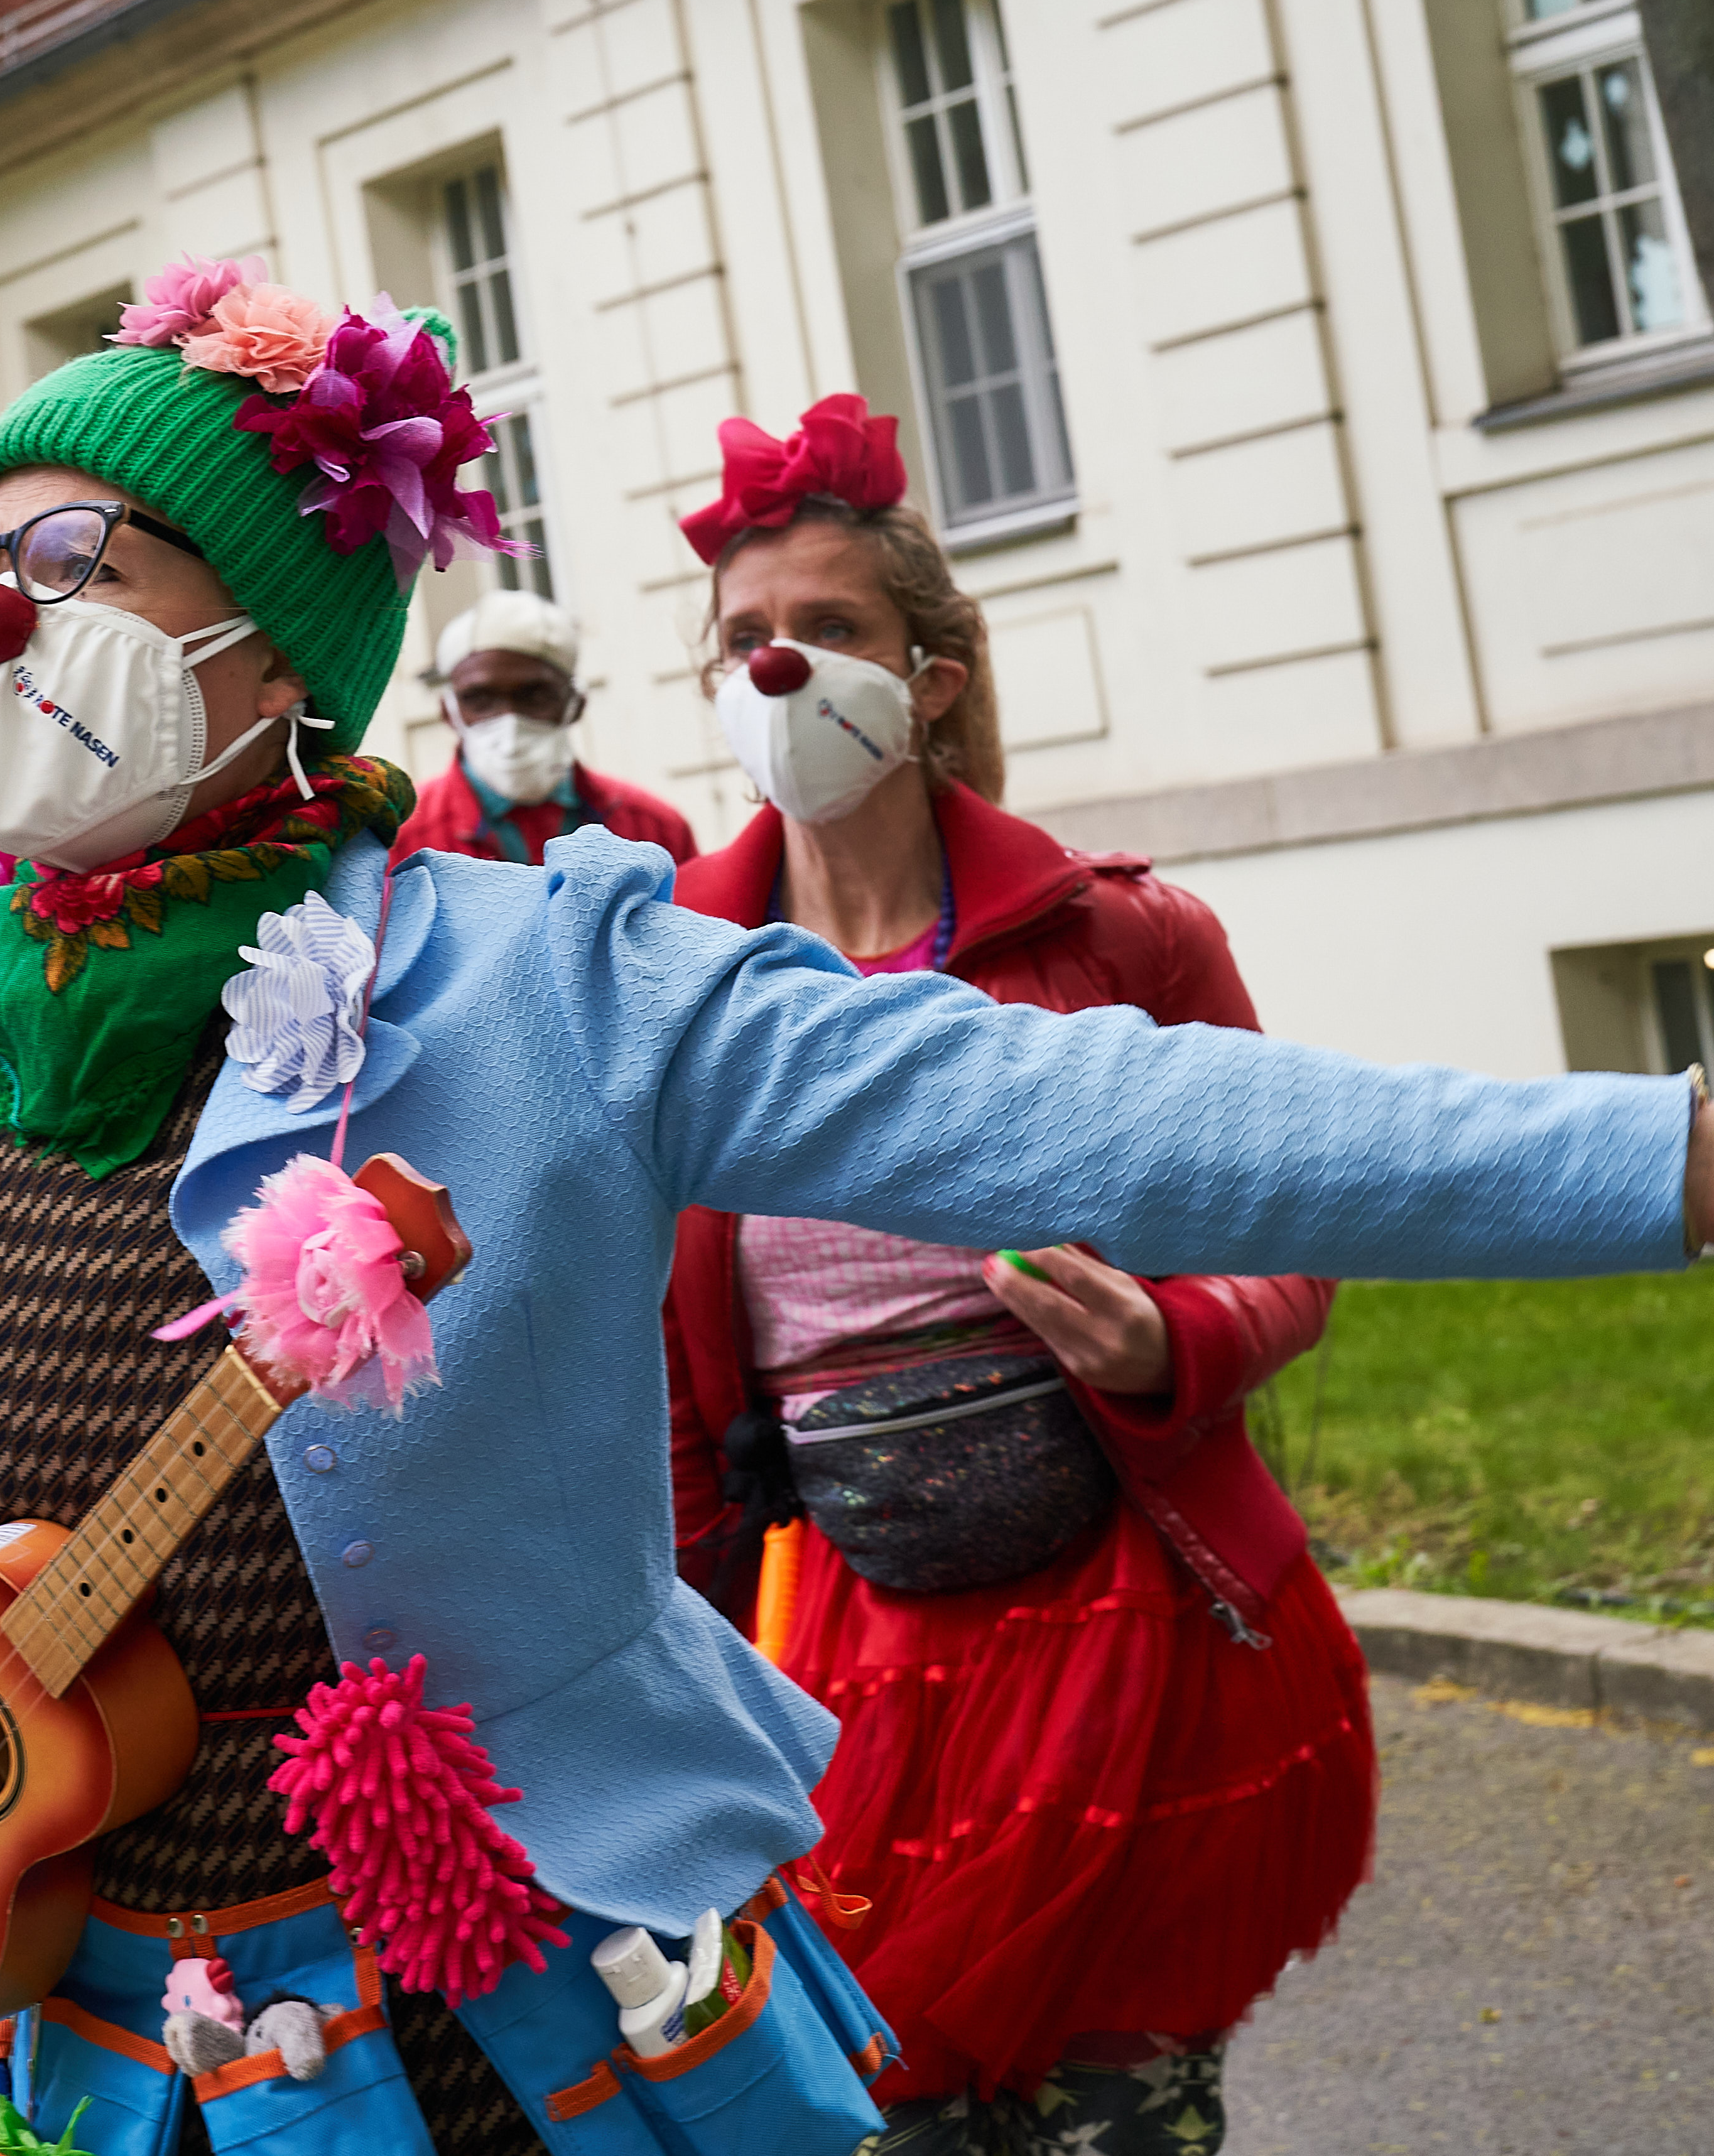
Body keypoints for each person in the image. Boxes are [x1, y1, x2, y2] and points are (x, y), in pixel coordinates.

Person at [0, 262, 1714, 2156]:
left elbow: (1099, 1121)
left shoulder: (550, 982)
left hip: (493, 2025)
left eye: (71, 570)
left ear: (274, 642)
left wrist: (1664, 1158)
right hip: (101, 2023)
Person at [658, 394, 1348, 2153]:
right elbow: (650, 1369)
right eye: (746, 641)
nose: (783, 673)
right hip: (838, 1639)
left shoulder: (1123, 940)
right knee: (882, 2114)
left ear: (937, 670)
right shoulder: (667, 993)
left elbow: (1289, 1230)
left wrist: (1162, 1338)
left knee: (1118, 2112)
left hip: (1121, 1622)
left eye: (829, 631)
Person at [391, 587, 701, 867]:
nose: (509, 721)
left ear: (575, 705)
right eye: (480, 699)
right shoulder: (402, 842)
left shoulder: (654, 830)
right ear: (449, 712)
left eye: (534, 696)